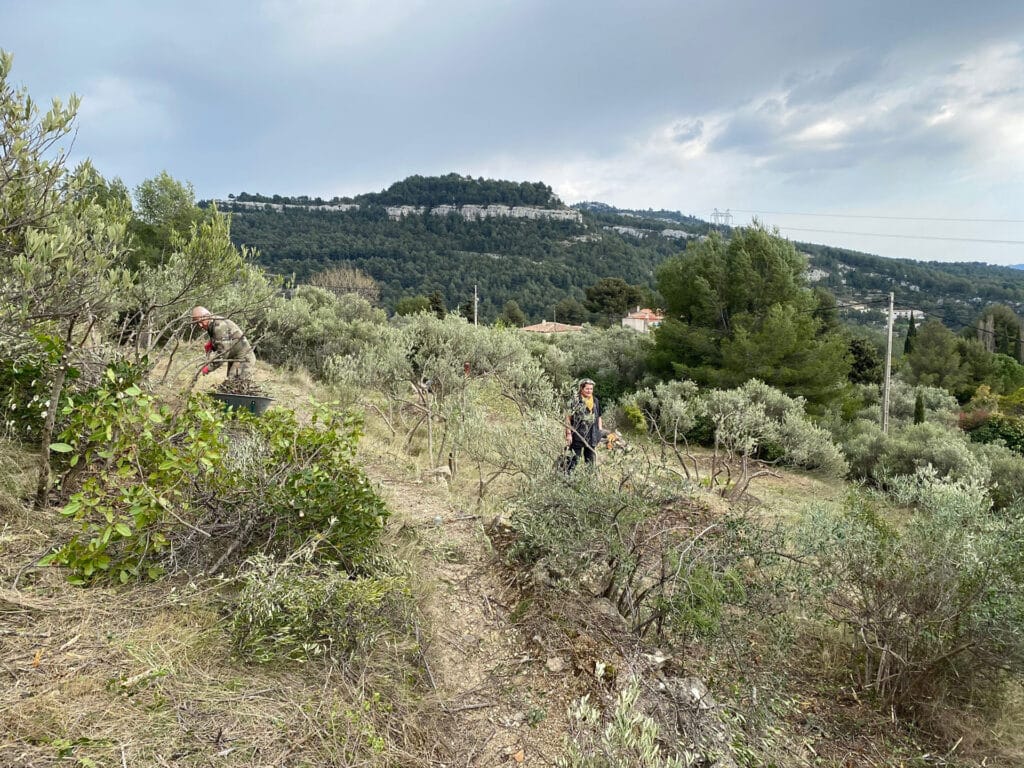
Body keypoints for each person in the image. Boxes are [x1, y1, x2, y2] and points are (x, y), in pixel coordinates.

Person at [191, 306, 256, 380]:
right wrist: (212, 344)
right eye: (197, 323)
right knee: (232, 384)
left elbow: (223, 354)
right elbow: (225, 339)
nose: (200, 325)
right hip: (236, 358)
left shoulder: (219, 326)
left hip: (244, 359)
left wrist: (208, 368)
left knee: (235, 386)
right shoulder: (213, 323)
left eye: (200, 321)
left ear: (207, 316)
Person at [565, 378, 602, 472]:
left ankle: (589, 483)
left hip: (592, 436)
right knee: (572, 461)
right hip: (577, 435)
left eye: (591, 389)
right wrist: (568, 434)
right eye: (587, 389)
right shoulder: (575, 401)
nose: (589, 391)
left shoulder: (595, 401)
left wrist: (599, 432)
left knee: (590, 464)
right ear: (581, 388)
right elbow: (568, 418)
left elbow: (599, 417)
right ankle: (566, 480)